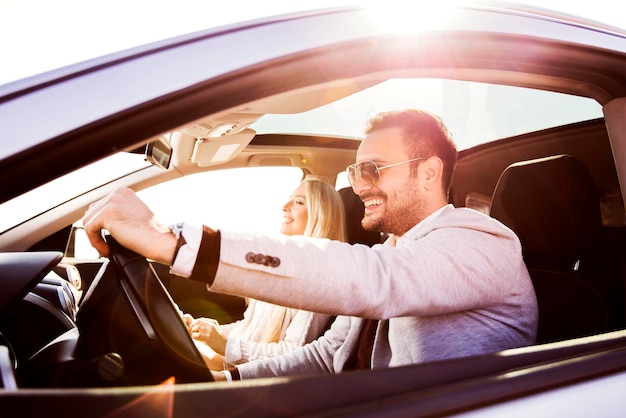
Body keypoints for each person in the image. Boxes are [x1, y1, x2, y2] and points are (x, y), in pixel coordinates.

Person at [82, 109, 538, 381]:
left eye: (373, 170)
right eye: (356, 173)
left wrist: (174, 242)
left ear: (430, 172)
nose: (359, 186)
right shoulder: (394, 252)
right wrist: (228, 380)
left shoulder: (482, 243)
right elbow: (326, 357)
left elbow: (374, 282)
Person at [182, 179, 346, 370]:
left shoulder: (320, 278)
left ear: (319, 215)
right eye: (290, 199)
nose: (284, 206)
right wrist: (207, 332)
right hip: (238, 366)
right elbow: (250, 327)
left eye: (298, 202)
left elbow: (294, 353)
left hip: (258, 378)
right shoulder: (282, 264)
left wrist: (225, 345)